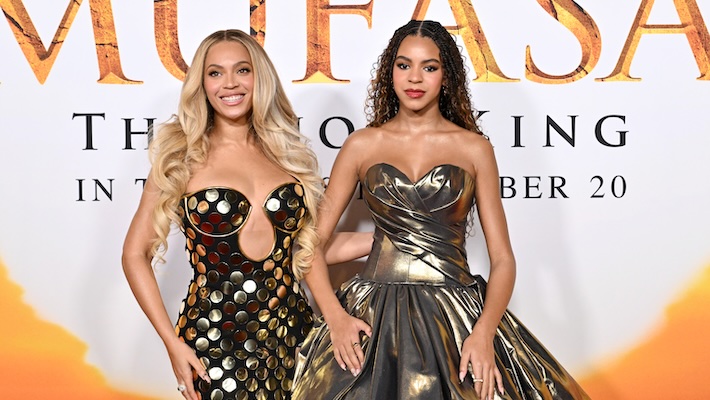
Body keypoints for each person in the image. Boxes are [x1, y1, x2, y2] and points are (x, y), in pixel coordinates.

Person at [292, 20, 590, 400]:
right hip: (372, 315)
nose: (414, 78)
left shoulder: (474, 149)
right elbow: (311, 244)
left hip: (456, 315)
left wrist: (484, 333)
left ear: (446, 76)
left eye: (429, 67)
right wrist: (335, 318)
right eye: (404, 65)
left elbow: (503, 260)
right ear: (390, 72)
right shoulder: (361, 146)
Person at [122, 29, 371, 400]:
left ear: (260, 77)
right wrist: (171, 342)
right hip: (214, 341)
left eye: (242, 70)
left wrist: (393, 240)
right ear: (202, 84)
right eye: (215, 73)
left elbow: (306, 250)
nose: (230, 83)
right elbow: (134, 254)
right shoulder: (180, 158)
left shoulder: (286, 156)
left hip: (294, 335)